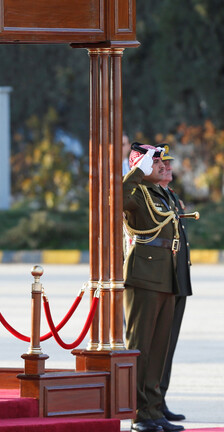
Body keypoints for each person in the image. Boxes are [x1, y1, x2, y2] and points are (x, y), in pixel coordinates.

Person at [122, 143, 184, 432]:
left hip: (166, 275)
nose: (161, 165)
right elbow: (116, 199)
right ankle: (138, 413)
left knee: (159, 348)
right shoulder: (136, 191)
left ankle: (154, 411)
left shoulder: (160, 193)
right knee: (141, 347)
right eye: (155, 161)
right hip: (144, 275)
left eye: (161, 161)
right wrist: (136, 172)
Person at [156, 144, 191, 423]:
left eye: (169, 162)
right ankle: (149, 403)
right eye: (161, 163)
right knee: (154, 346)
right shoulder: (147, 196)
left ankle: (160, 399)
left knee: (168, 346)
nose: (167, 166)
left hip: (176, 279)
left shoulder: (171, 196)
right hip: (157, 280)